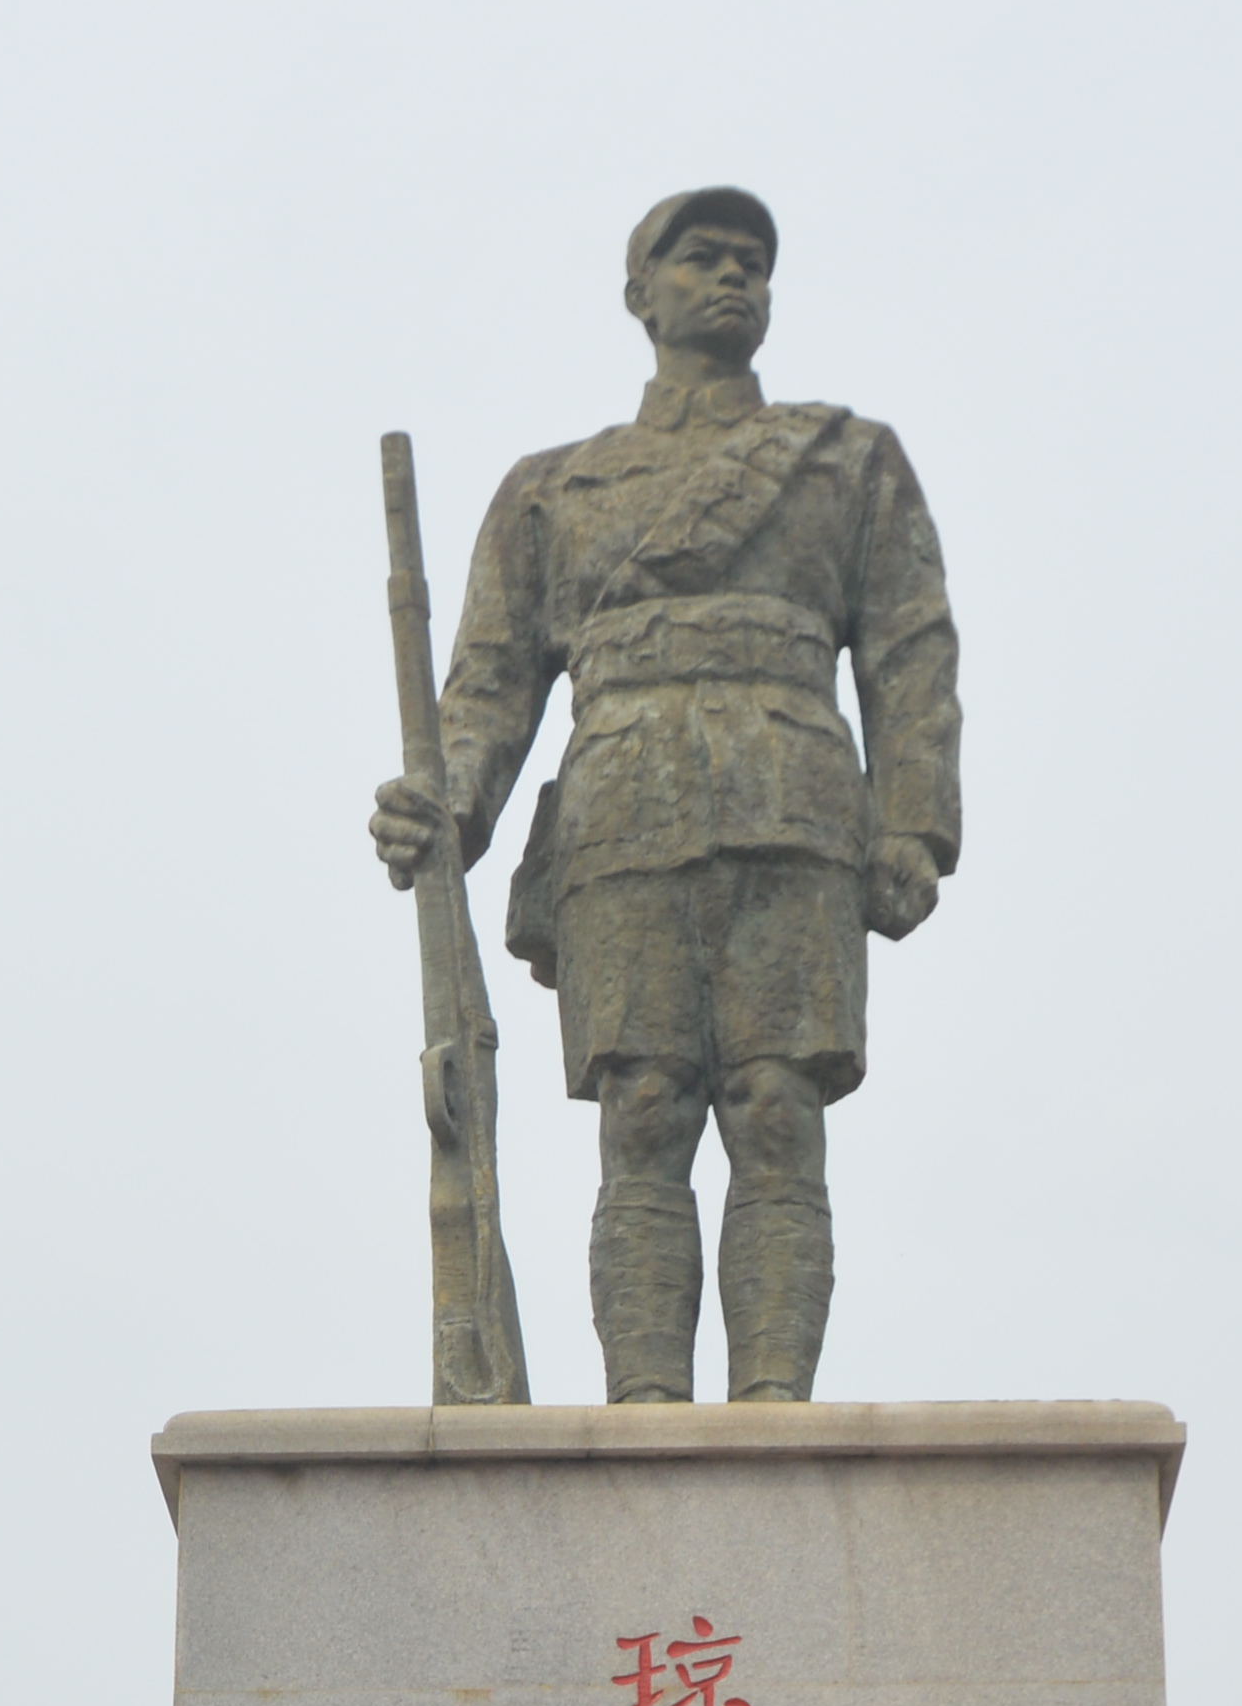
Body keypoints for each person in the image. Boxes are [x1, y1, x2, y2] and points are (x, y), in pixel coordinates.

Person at [370, 187, 963, 1405]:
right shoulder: (554, 489)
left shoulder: (845, 459)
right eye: (701, 258)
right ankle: (643, 1410)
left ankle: (772, 1409)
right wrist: (449, 809)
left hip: (794, 802)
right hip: (619, 815)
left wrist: (911, 822)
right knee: (642, 1113)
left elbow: (909, 645)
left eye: (752, 261)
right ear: (642, 293)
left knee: (776, 1109)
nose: (732, 277)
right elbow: (486, 686)